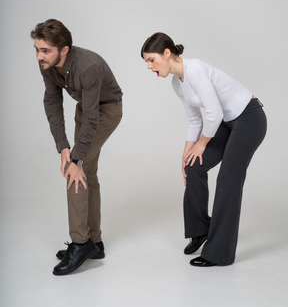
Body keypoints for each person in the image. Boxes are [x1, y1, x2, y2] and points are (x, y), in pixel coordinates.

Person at [141, 32, 267, 267]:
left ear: (167, 53)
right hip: (225, 123)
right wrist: (186, 154)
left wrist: (201, 144)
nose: (149, 66)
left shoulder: (195, 69)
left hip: (249, 119)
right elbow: (194, 121)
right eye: (146, 62)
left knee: (228, 180)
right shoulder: (177, 83)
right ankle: (200, 230)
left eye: (151, 60)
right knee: (193, 166)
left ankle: (220, 253)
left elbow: (215, 113)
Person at [31, 19, 123, 275]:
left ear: (64, 49)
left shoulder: (88, 66)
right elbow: (52, 102)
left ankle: (81, 243)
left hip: (107, 112)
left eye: (45, 50)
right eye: (37, 49)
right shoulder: (47, 65)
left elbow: (94, 118)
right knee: (86, 172)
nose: (39, 56)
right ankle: (95, 242)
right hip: (86, 108)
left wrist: (76, 159)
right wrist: (63, 148)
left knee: (76, 171)